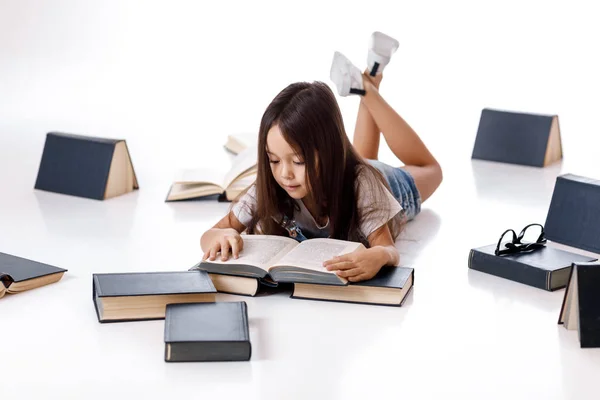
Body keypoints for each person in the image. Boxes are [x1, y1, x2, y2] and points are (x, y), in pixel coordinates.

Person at [200, 32, 442, 282]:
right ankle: (370, 75)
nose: (285, 174)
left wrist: (378, 256)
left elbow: (388, 249)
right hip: (352, 173)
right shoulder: (271, 187)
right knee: (362, 159)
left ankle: (369, 90)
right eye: (274, 160)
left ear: (329, 153)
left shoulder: (364, 186)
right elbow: (212, 232)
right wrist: (217, 236)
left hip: (387, 185)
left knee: (432, 169)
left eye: (298, 161)